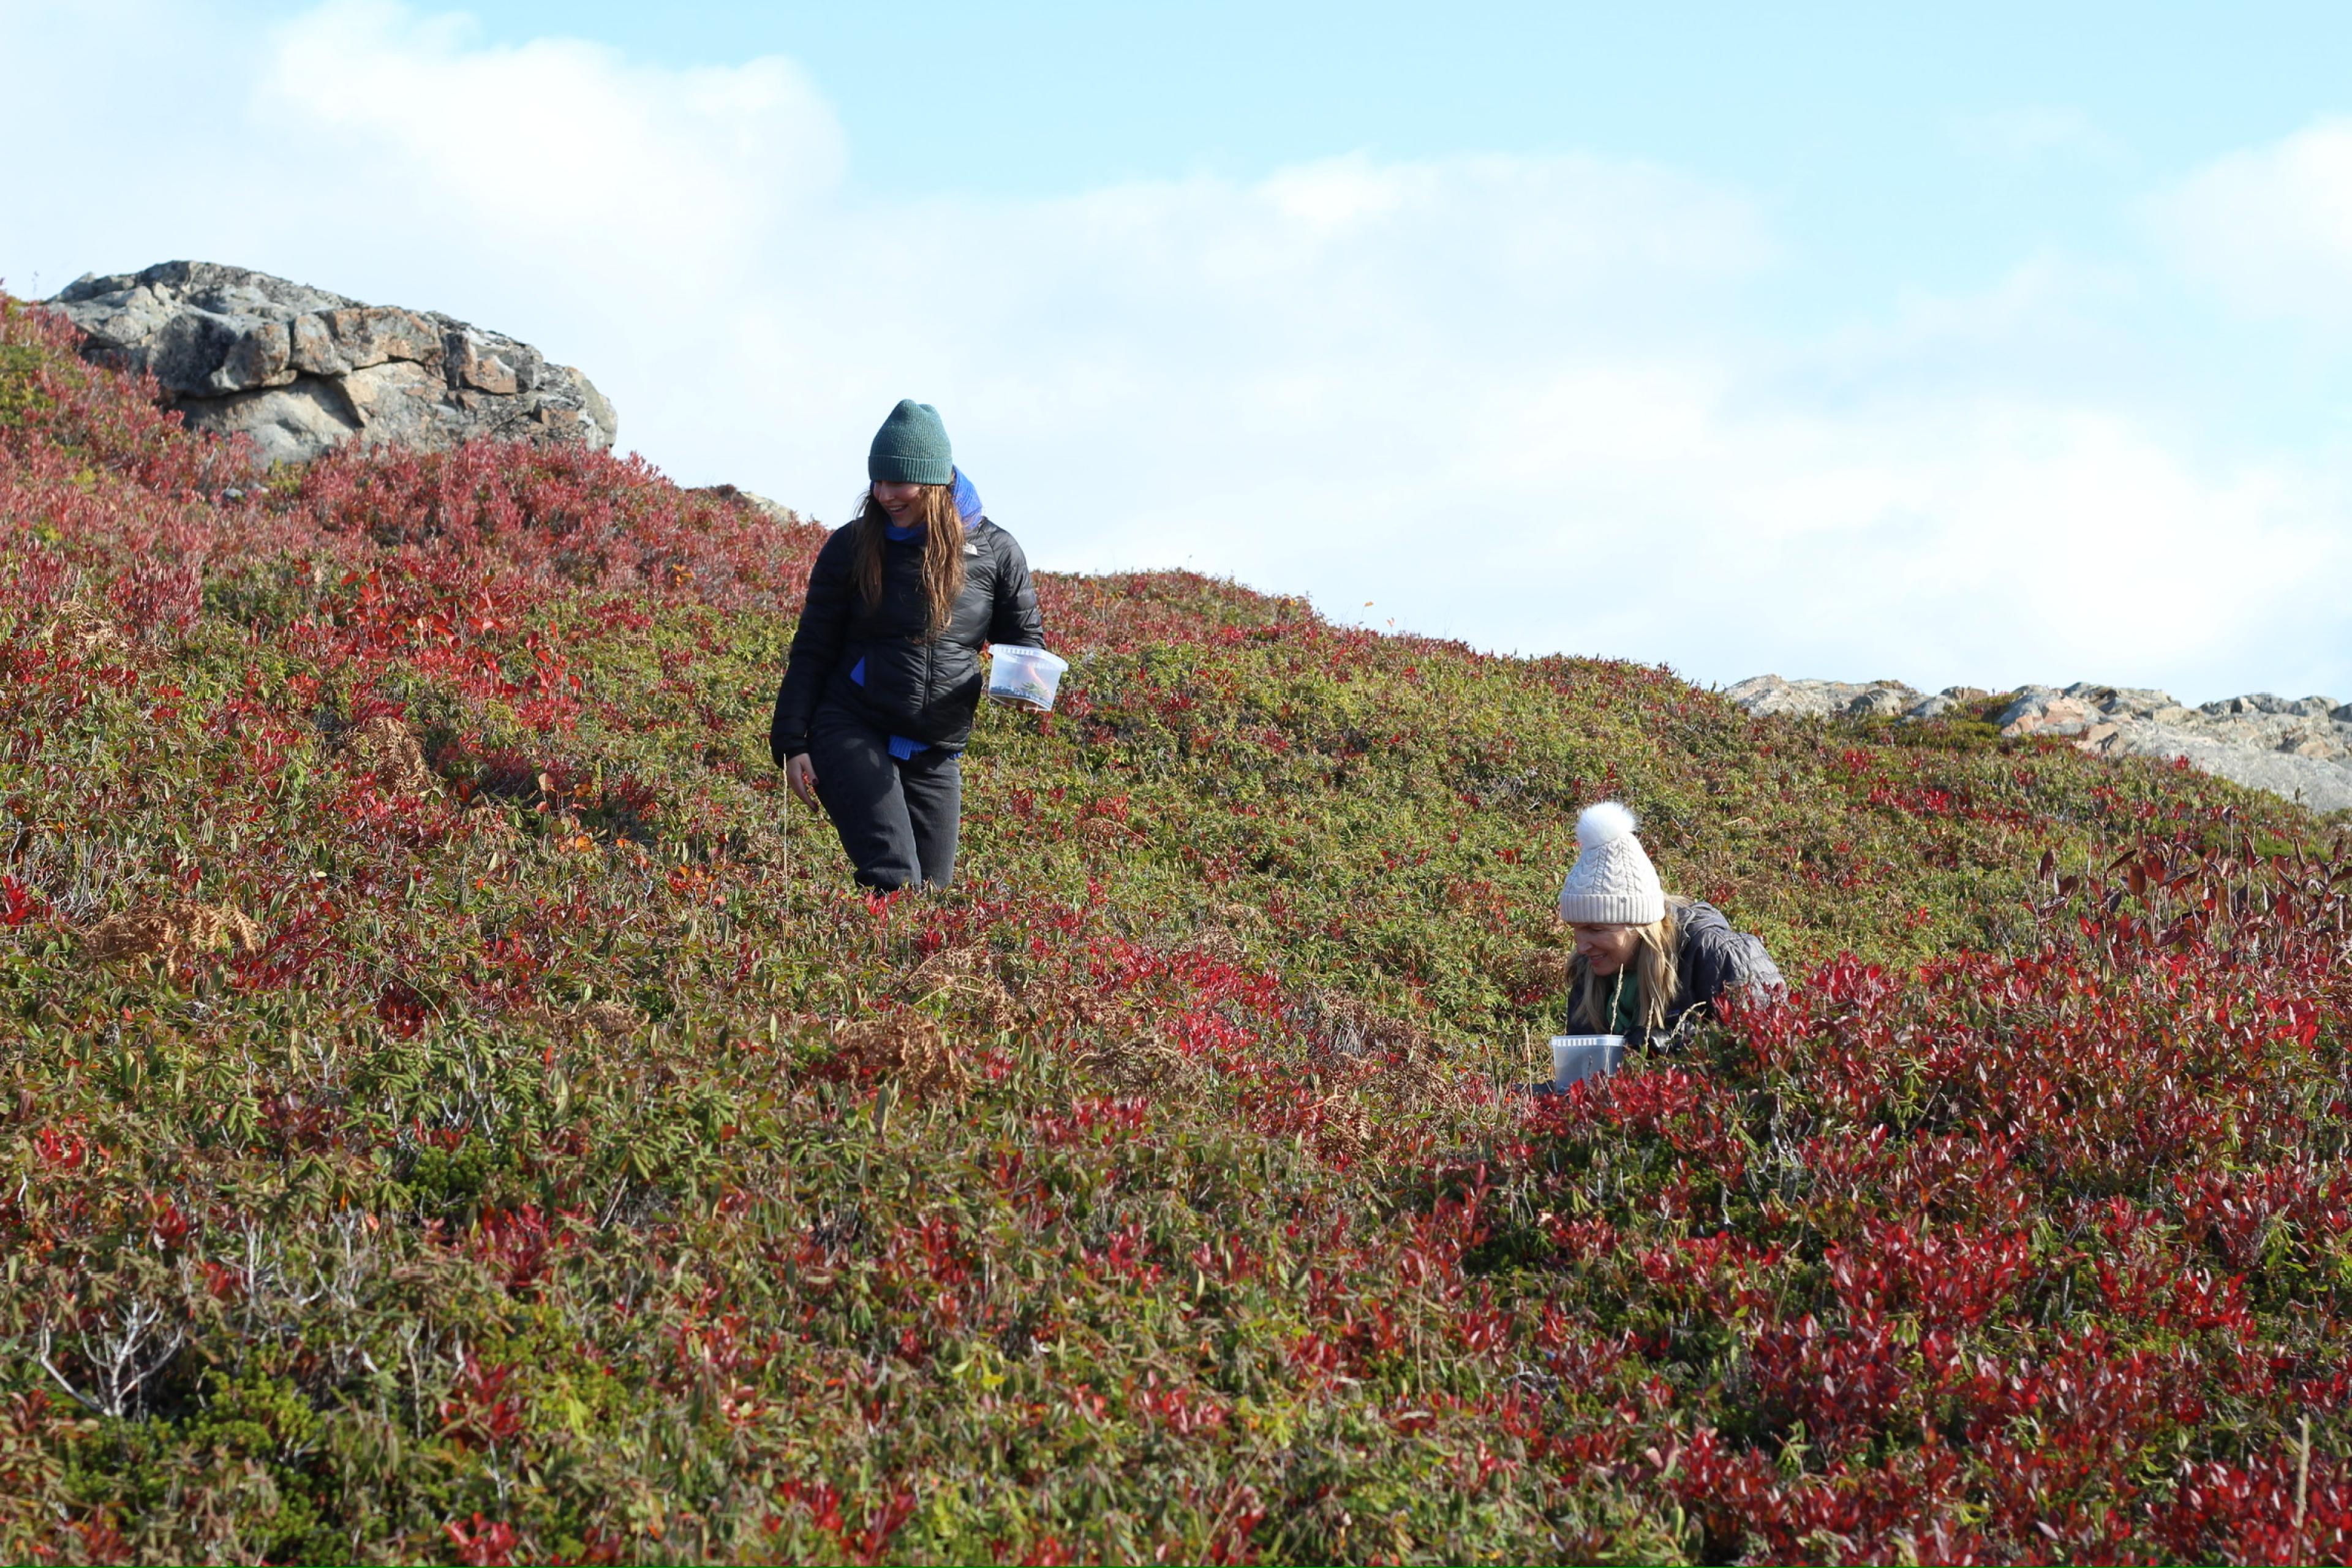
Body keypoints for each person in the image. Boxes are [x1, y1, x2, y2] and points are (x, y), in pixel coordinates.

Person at [769, 400, 1047, 890]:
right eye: (877, 481)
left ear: (935, 483)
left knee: (932, 900)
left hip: (936, 744)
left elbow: (1023, 637)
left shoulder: (997, 551)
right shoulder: (852, 546)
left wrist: (1025, 686)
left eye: (898, 483)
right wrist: (792, 743)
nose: (883, 495)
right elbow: (812, 648)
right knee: (894, 879)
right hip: (851, 725)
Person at [1555, 801, 1784, 1046]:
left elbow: (1769, 1045)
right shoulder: (1588, 970)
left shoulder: (1717, 954)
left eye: (1596, 929)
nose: (1581, 947)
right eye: (1576, 929)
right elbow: (1582, 1076)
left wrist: (1676, 1044)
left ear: (1640, 923)